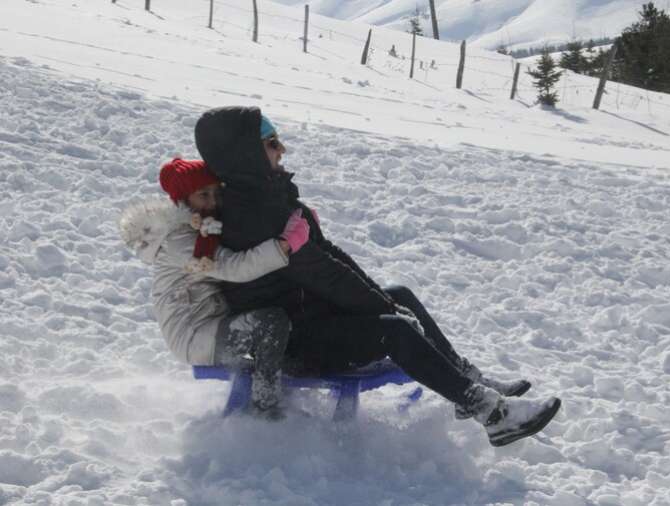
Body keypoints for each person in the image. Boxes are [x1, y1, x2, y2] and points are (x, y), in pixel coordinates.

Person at [194, 106, 561, 447]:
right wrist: (383, 309)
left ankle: (466, 382)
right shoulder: (252, 215)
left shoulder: (271, 198)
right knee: (393, 327)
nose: (282, 150)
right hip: (292, 343)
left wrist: (382, 300)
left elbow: (330, 256)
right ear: (245, 152)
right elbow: (322, 274)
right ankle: (491, 413)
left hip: (310, 315)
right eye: (272, 143)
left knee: (398, 295)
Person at [119, 158, 310, 417]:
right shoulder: (182, 242)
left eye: (216, 194)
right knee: (269, 322)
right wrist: (284, 244)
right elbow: (233, 267)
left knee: (277, 316)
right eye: (203, 195)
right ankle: (265, 407)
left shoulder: (204, 230)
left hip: (211, 321)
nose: (212, 202)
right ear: (183, 200)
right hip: (194, 335)